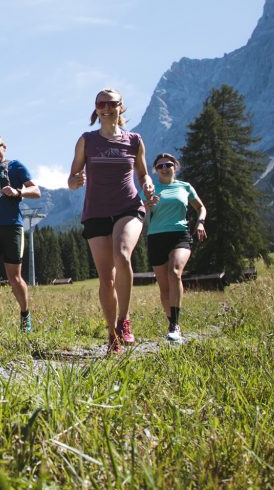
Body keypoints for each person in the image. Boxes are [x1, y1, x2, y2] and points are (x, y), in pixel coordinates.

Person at [68, 89, 155, 355]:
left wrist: (149, 185)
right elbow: (72, 177)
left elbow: (143, 174)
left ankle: (124, 321)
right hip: (95, 211)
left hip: (127, 206)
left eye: (112, 103)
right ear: (96, 108)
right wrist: (75, 181)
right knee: (106, 279)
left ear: (121, 107)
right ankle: (112, 335)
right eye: (101, 104)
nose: (106, 108)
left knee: (123, 254)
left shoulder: (134, 140)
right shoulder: (87, 140)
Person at [0, 134, 41, 335]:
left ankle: (25, 314)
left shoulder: (16, 166)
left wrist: (17, 192)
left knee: (14, 278)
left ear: (4, 146)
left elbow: (36, 191)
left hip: (12, 227)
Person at [146, 152, 207, 342]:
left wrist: (201, 222)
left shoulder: (185, 187)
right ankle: (172, 325)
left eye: (168, 164)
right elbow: (138, 208)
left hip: (180, 235)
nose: (164, 168)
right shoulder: (150, 189)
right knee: (164, 288)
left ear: (175, 167)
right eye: (160, 166)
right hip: (155, 238)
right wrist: (147, 204)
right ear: (155, 170)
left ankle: (175, 324)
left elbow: (200, 207)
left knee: (175, 273)